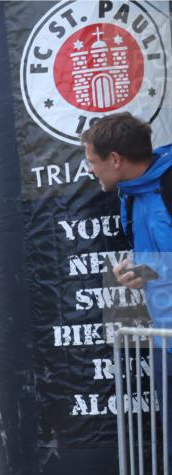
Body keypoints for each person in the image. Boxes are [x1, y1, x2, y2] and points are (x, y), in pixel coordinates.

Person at [83, 112, 172, 443]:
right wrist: (138, 267)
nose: (90, 169)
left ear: (115, 159)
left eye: (92, 161)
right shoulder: (131, 195)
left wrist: (150, 271)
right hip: (166, 339)